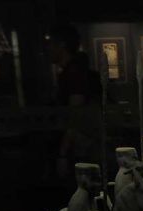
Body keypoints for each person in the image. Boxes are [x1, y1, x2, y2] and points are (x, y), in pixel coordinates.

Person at [47, 24, 101, 179]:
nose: (48, 49)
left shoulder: (74, 73)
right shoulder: (74, 71)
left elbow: (75, 114)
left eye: (51, 44)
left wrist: (63, 153)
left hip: (80, 149)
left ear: (62, 44)